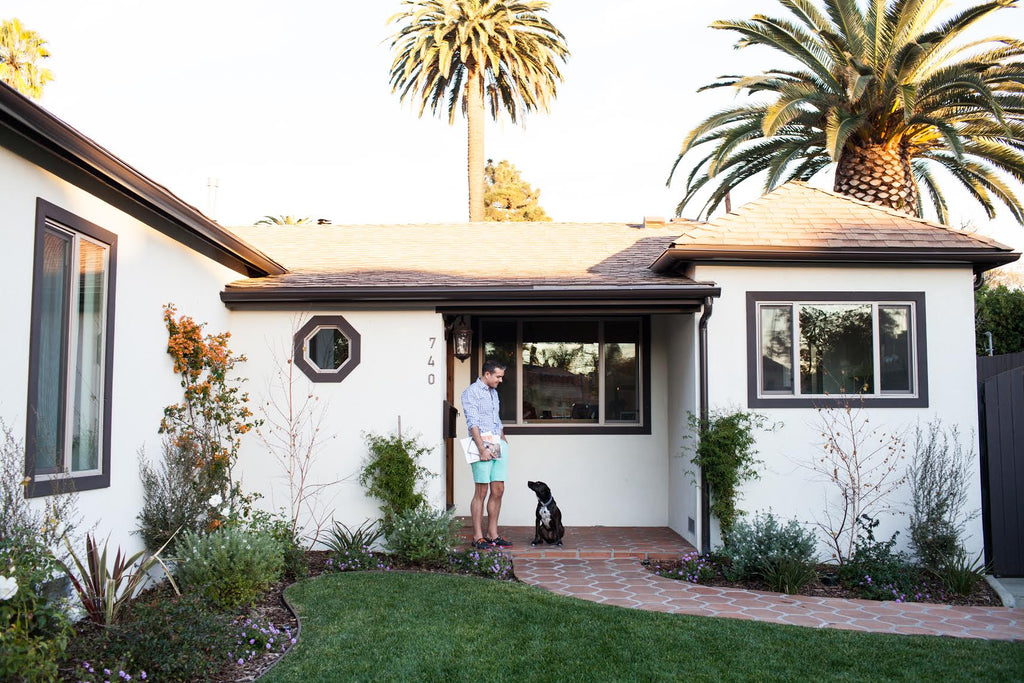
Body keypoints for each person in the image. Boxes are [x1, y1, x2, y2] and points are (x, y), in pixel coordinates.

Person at [461, 359, 512, 550]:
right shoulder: (471, 392)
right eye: (498, 376)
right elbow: (472, 422)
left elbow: (496, 419)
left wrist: (503, 439)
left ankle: (493, 534)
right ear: (487, 374)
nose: (500, 380)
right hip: (480, 444)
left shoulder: (494, 393)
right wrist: (482, 448)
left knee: (498, 490)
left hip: (497, 443)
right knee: (481, 491)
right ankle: (477, 536)